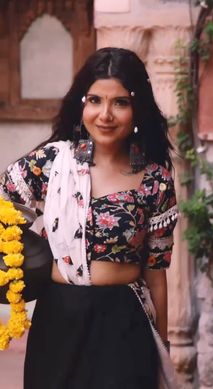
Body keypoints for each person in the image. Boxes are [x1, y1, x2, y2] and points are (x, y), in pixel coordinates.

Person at [0, 47, 178, 389]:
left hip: (125, 325)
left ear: (137, 108)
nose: (105, 114)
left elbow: (156, 273)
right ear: (82, 104)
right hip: (60, 321)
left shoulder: (155, 180)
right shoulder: (53, 163)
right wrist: (22, 250)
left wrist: (163, 345)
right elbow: (4, 201)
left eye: (120, 103)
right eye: (95, 100)